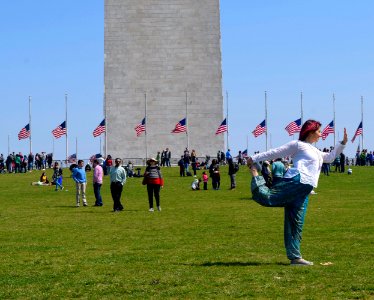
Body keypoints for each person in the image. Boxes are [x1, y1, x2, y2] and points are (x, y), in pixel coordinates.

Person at [246, 120, 348, 266]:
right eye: (319, 131)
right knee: (268, 198)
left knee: (296, 224)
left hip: (304, 190)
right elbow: (276, 152)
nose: (321, 134)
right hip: (296, 181)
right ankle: (255, 173)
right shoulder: (298, 145)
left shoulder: (316, 151)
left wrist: (343, 143)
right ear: (311, 132)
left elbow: (331, 157)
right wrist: (254, 159)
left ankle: (295, 258)